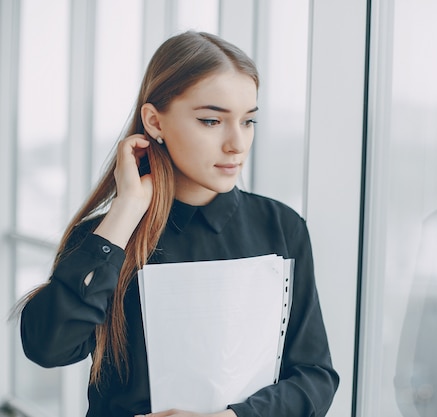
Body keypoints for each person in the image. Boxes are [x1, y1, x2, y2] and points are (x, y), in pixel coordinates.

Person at [18, 31, 339, 417]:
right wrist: (125, 211)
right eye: (210, 120)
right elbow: (49, 347)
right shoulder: (106, 236)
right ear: (155, 122)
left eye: (249, 121)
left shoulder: (281, 227)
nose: (237, 143)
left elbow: (314, 376)